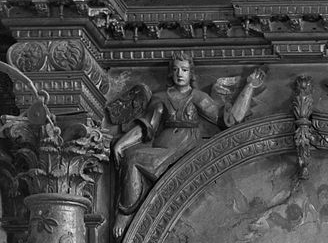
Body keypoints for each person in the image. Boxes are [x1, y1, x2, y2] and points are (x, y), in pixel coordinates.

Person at [113, 52, 265, 214]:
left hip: (186, 150)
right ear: (171, 73)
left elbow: (230, 120)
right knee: (131, 159)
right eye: (176, 70)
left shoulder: (197, 97)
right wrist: (121, 143)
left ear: (191, 73)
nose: (180, 74)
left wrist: (249, 87)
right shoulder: (160, 97)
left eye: (184, 70)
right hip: (163, 151)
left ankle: (129, 213)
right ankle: (127, 214)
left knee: (134, 159)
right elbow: (146, 127)